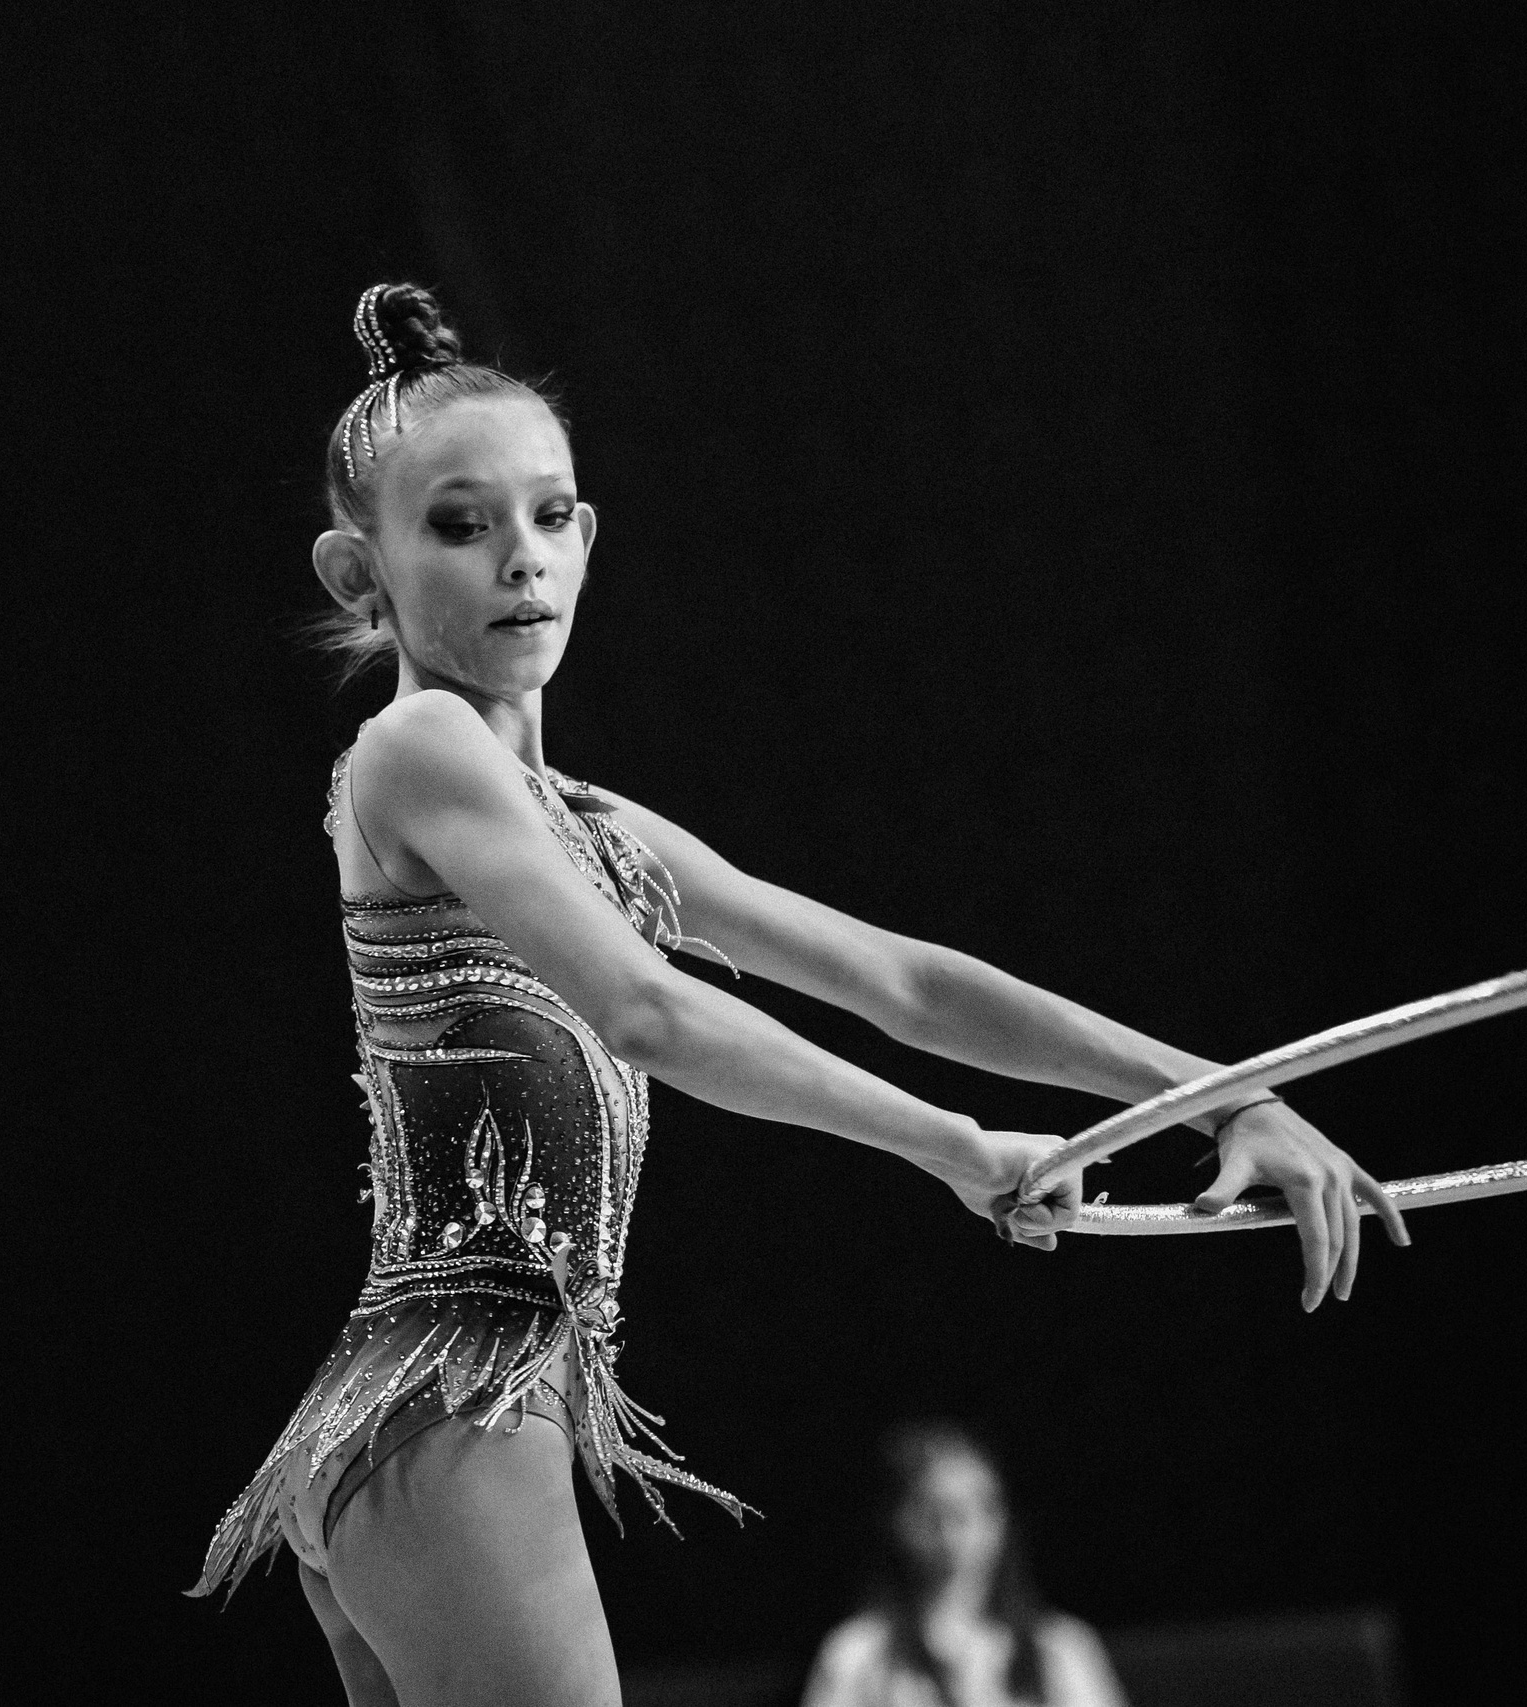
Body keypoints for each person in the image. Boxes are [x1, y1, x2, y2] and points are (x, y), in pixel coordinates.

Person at [189, 281, 1411, 1707]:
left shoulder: (601, 831)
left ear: (590, 534)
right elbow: (648, 1011)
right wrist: (955, 1146)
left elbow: (905, 980)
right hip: (456, 1398)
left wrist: (1222, 1096)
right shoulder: (417, 751)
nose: (521, 559)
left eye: (550, 514)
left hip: (435, 1422)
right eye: (460, 525)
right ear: (360, 573)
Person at [805, 1421, 1126, 1707]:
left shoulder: (1059, 1649)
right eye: (936, 1512)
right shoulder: (858, 1654)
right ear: (898, 1522)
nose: (956, 1533)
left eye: (979, 1508)